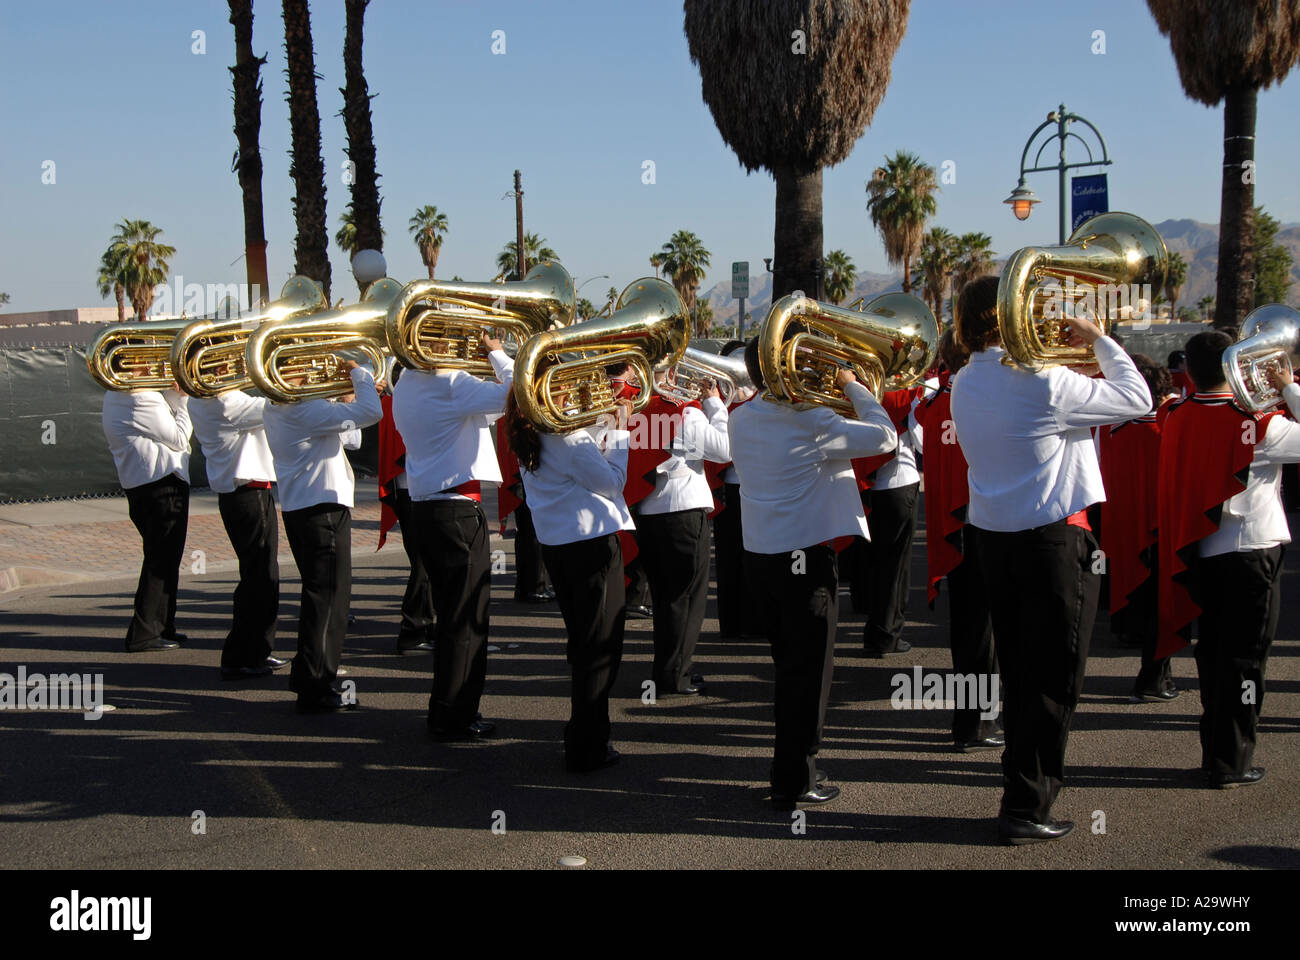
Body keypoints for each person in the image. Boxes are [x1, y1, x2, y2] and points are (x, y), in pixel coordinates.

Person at [949, 275, 1150, 844]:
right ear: (1013, 316)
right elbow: (1138, 400)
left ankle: (1021, 795)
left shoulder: (965, 380)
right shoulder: (1045, 382)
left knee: (1018, 671)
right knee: (1055, 676)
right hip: (1051, 543)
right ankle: (1027, 806)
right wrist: (1100, 339)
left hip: (994, 539)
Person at [729, 337, 897, 809]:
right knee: (808, 677)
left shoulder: (740, 417)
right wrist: (853, 386)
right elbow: (886, 436)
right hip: (803, 561)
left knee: (789, 669)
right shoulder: (814, 421)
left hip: (760, 558)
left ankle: (788, 771)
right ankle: (796, 780)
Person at [1157, 331, 1300, 789]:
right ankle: (1232, 760)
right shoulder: (1257, 421)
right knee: (1247, 661)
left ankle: (1215, 751)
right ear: (1237, 366)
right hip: (1252, 550)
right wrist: (1289, 386)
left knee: (1213, 656)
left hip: (1203, 551)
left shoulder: (1176, 413)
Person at [393, 333, 512, 740]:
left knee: (450, 619)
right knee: (467, 620)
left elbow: (485, 412)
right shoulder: (451, 383)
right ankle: (456, 716)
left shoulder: (406, 381)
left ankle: (445, 708)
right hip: (458, 510)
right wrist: (497, 354)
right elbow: (520, 394)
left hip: (428, 507)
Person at [507, 390, 633, 771]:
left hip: (559, 545)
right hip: (590, 546)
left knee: (583, 644)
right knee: (600, 648)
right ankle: (588, 743)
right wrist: (622, 430)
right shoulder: (567, 436)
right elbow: (613, 482)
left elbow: (576, 469)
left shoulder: (530, 429)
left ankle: (586, 735)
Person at [263, 360, 382, 712]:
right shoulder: (304, 408)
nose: (310, 376)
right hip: (322, 510)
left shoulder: (280, 407)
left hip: (305, 508)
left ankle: (308, 675)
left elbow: (351, 436)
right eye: (302, 371)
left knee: (319, 597)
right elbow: (371, 412)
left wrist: (343, 398)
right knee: (329, 601)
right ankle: (316, 685)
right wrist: (359, 376)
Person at [913, 329, 1002, 751]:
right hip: (988, 524)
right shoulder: (982, 399)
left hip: (958, 528)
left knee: (969, 631)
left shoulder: (933, 407)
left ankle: (971, 721)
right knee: (991, 631)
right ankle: (980, 721)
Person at [626, 367, 730, 697]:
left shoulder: (640, 407)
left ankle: (669, 668)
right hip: (683, 511)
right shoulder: (683, 410)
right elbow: (724, 450)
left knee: (666, 599)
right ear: (670, 372)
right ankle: (675, 674)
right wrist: (714, 404)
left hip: (649, 511)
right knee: (686, 601)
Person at [189, 381, 286, 679]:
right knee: (260, 577)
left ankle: (257, 650)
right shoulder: (226, 403)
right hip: (247, 492)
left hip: (242, 493)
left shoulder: (201, 400)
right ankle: (242, 656)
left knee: (258, 574)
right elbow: (278, 405)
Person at [1097, 355, 1178, 702]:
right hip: (1164, 524)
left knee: (1141, 599)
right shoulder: (1170, 423)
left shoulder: (1112, 426)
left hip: (1123, 522)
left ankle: (1154, 671)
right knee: (1165, 605)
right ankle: (1153, 680)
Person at [102, 383, 193, 653]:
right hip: (161, 485)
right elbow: (178, 438)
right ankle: (145, 633)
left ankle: (163, 626)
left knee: (164, 559)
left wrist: (174, 396)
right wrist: (183, 401)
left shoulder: (116, 395)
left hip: (145, 485)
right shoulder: (141, 398)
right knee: (160, 561)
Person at [377, 363, 436, 656]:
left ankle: (424, 626)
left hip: (412, 491)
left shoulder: (398, 401)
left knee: (425, 564)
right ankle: (412, 629)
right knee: (423, 565)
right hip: (412, 492)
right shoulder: (402, 402)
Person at [710, 341, 763, 640]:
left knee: (740, 558)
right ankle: (739, 624)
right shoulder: (727, 403)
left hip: (741, 487)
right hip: (736, 488)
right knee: (736, 559)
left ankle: (738, 624)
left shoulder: (730, 403)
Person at [608, 360, 652, 619]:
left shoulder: (595, 391)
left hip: (605, 470)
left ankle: (622, 595)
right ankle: (635, 596)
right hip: (629, 472)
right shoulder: (637, 396)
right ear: (630, 368)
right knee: (635, 538)